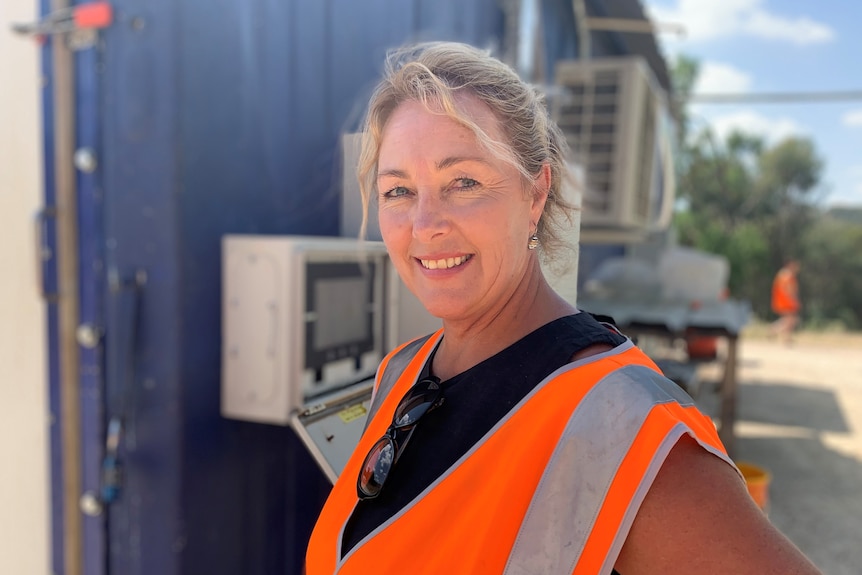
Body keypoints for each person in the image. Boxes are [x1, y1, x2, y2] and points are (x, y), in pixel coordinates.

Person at [305, 41, 821, 575]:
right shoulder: (401, 372)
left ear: (535, 194)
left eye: (463, 182)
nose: (424, 224)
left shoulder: (621, 422)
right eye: (398, 191)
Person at [770, 260, 801, 345]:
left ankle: (783, 336)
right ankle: (775, 330)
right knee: (790, 320)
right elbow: (789, 289)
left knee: (789, 320)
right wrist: (793, 299)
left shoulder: (782, 274)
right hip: (786, 301)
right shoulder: (787, 275)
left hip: (782, 300)